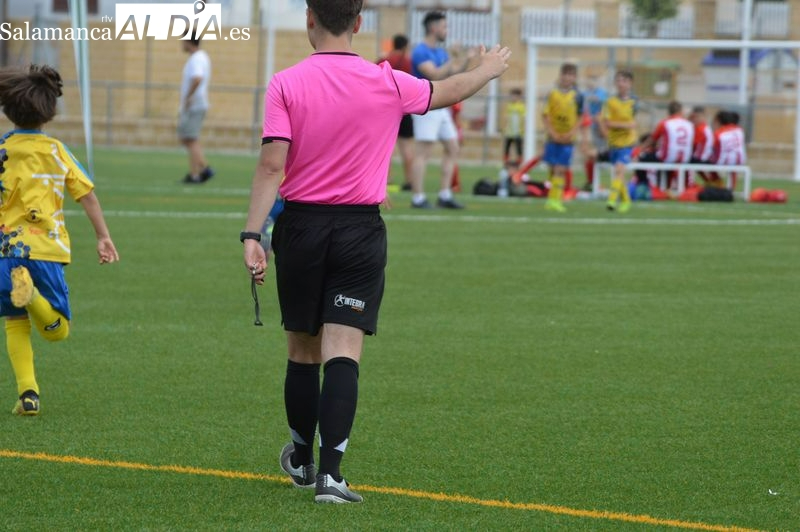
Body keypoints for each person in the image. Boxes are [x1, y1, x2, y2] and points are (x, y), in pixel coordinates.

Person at [241, 0, 510, 504]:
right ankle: (331, 477)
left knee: (302, 350)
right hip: (360, 231)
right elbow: (445, 92)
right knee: (343, 349)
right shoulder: (386, 80)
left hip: (300, 227)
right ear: (359, 23)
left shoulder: (285, 82)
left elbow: (271, 165)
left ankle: (301, 458)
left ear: (309, 19)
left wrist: (253, 236)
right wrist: (488, 70)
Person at [0, 65, 119, 416]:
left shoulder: (3, 149)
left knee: (14, 322)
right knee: (57, 332)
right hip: (47, 250)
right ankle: (33, 296)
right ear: (48, 112)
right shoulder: (56, 150)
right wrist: (103, 237)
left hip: (7, 250)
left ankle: (28, 393)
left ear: (8, 110)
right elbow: (87, 196)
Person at [408, 11, 474, 209]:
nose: (447, 31)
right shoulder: (420, 51)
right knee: (423, 152)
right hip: (426, 106)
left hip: (441, 107)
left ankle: (445, 194)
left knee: (452, 147)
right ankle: (417, 198)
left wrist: (466, 60)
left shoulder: (440, 52)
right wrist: (451, 59)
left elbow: (452, 74)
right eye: (444, 27)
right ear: (433, 28)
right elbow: (435, 75)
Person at [541, 63, 583, 212]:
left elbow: (580, 117)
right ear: (560, 76)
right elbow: (546, 115)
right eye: (565, 74)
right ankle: (551, 199)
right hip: (553, 137)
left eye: (570, 75)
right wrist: (552, 132)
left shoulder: (578, 96)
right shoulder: (552, 94)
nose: (567, 77)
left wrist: (572, 133)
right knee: (553, 169)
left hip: (568, 138)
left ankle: (555, 200)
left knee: (561, 169)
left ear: (575, 78)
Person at [377, 34, 415, 191]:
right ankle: (409, 180)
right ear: (405, 45)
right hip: (404, 107)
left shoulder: (385, 60)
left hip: (386, 108)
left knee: (386, 147)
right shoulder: (408, 61)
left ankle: (388, 179)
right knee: (406, 147)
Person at [179, 37, 214, 184]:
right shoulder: (201, 57)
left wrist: (188, 97)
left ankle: (205, 168)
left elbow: (197, 78)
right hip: (197, 104)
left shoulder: (196, 59)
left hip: (195, 104)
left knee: (189, 138)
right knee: (190, 139)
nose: (181, 44)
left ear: (189, 42)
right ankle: (195, 174)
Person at [601, 70, 637, 213]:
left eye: (624, 81)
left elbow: (634, 122)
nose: (621, 84)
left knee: (619, 169)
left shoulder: (634, 103)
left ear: (630, 84)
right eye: (618, 81)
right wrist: (626, 125)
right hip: (614, 142)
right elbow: (608, 123)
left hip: (627, 143)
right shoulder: (610, 102)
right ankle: (626, 201)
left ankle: (611, 199)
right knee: (619, 173)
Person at [639, 100, 694, 189]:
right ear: (681, 111)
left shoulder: (665, 123)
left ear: (669, 112)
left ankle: (645, 185)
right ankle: (672, 186)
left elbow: (652, 139)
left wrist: (640, 149)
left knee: (643, 158)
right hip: (685, 158)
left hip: (668, 158)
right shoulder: (690, 125)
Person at [580, 73, 608, 191]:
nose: (591, 83)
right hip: (589, 125)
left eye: (593, 81)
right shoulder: (584, 93)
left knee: (594, 153)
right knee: (588, 154)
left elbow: (601, 101)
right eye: (589, 81)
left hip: (600, 125)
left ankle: (595, 182)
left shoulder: (601, 92)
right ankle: (592, 182)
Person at [708, 110, 746, 189]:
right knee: (733, 161)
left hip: (723, 161)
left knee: (705, 160)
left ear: (718, 121)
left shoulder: (719, 133)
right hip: (740, 160)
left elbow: (711, 147)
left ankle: (717, 183)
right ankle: (732, 187)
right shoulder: (739, 130)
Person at [503, 88, 525, 162]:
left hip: (518, 132)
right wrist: (505, 128)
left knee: (518, 149)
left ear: (519, 97)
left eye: (515, 96)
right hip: (509, 132)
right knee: (507, 148)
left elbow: (523, 119)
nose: (513, 98)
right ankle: (506, 163)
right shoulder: (509, 105)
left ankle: (519, 163)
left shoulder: (521, 106)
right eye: (512, 96)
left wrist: (523, 129)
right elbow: (507, 118)